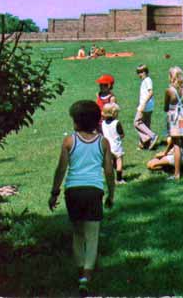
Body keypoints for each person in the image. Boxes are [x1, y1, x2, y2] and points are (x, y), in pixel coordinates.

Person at [48, 100, 115, 296]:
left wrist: (54, 192)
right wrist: (111, 194)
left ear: (77, 122)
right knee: (92, 236)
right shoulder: (103, 142)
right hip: (94, 191)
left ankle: (79, 274)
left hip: (73, 191)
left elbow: (61, 169)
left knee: (78, 234)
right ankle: (87, 276)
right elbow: (109, 172)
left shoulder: (69, 141)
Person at [165, 66, 183, 179]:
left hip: (174, 119)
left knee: (176, 145)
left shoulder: (169, 90)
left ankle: (177, 173)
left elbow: (166, 106)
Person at [134, 64, 159, 150]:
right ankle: (144, 144)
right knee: (145, 124)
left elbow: (151, 92)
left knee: (137, 122)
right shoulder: (145, 81)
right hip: (149, 106)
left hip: (145, 105)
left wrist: (143, 103)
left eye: (141, 72)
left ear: (145, 72)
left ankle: (152, 136)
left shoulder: (147, 80)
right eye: (138, 73)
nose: (139, 75)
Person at [101, 103, 125, 184]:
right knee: (119, 161)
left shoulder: (103, 123)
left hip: (107, 145)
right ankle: (119, 179)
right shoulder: (117, 123)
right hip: (116, 145)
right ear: (114, 113)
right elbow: (122, 134)